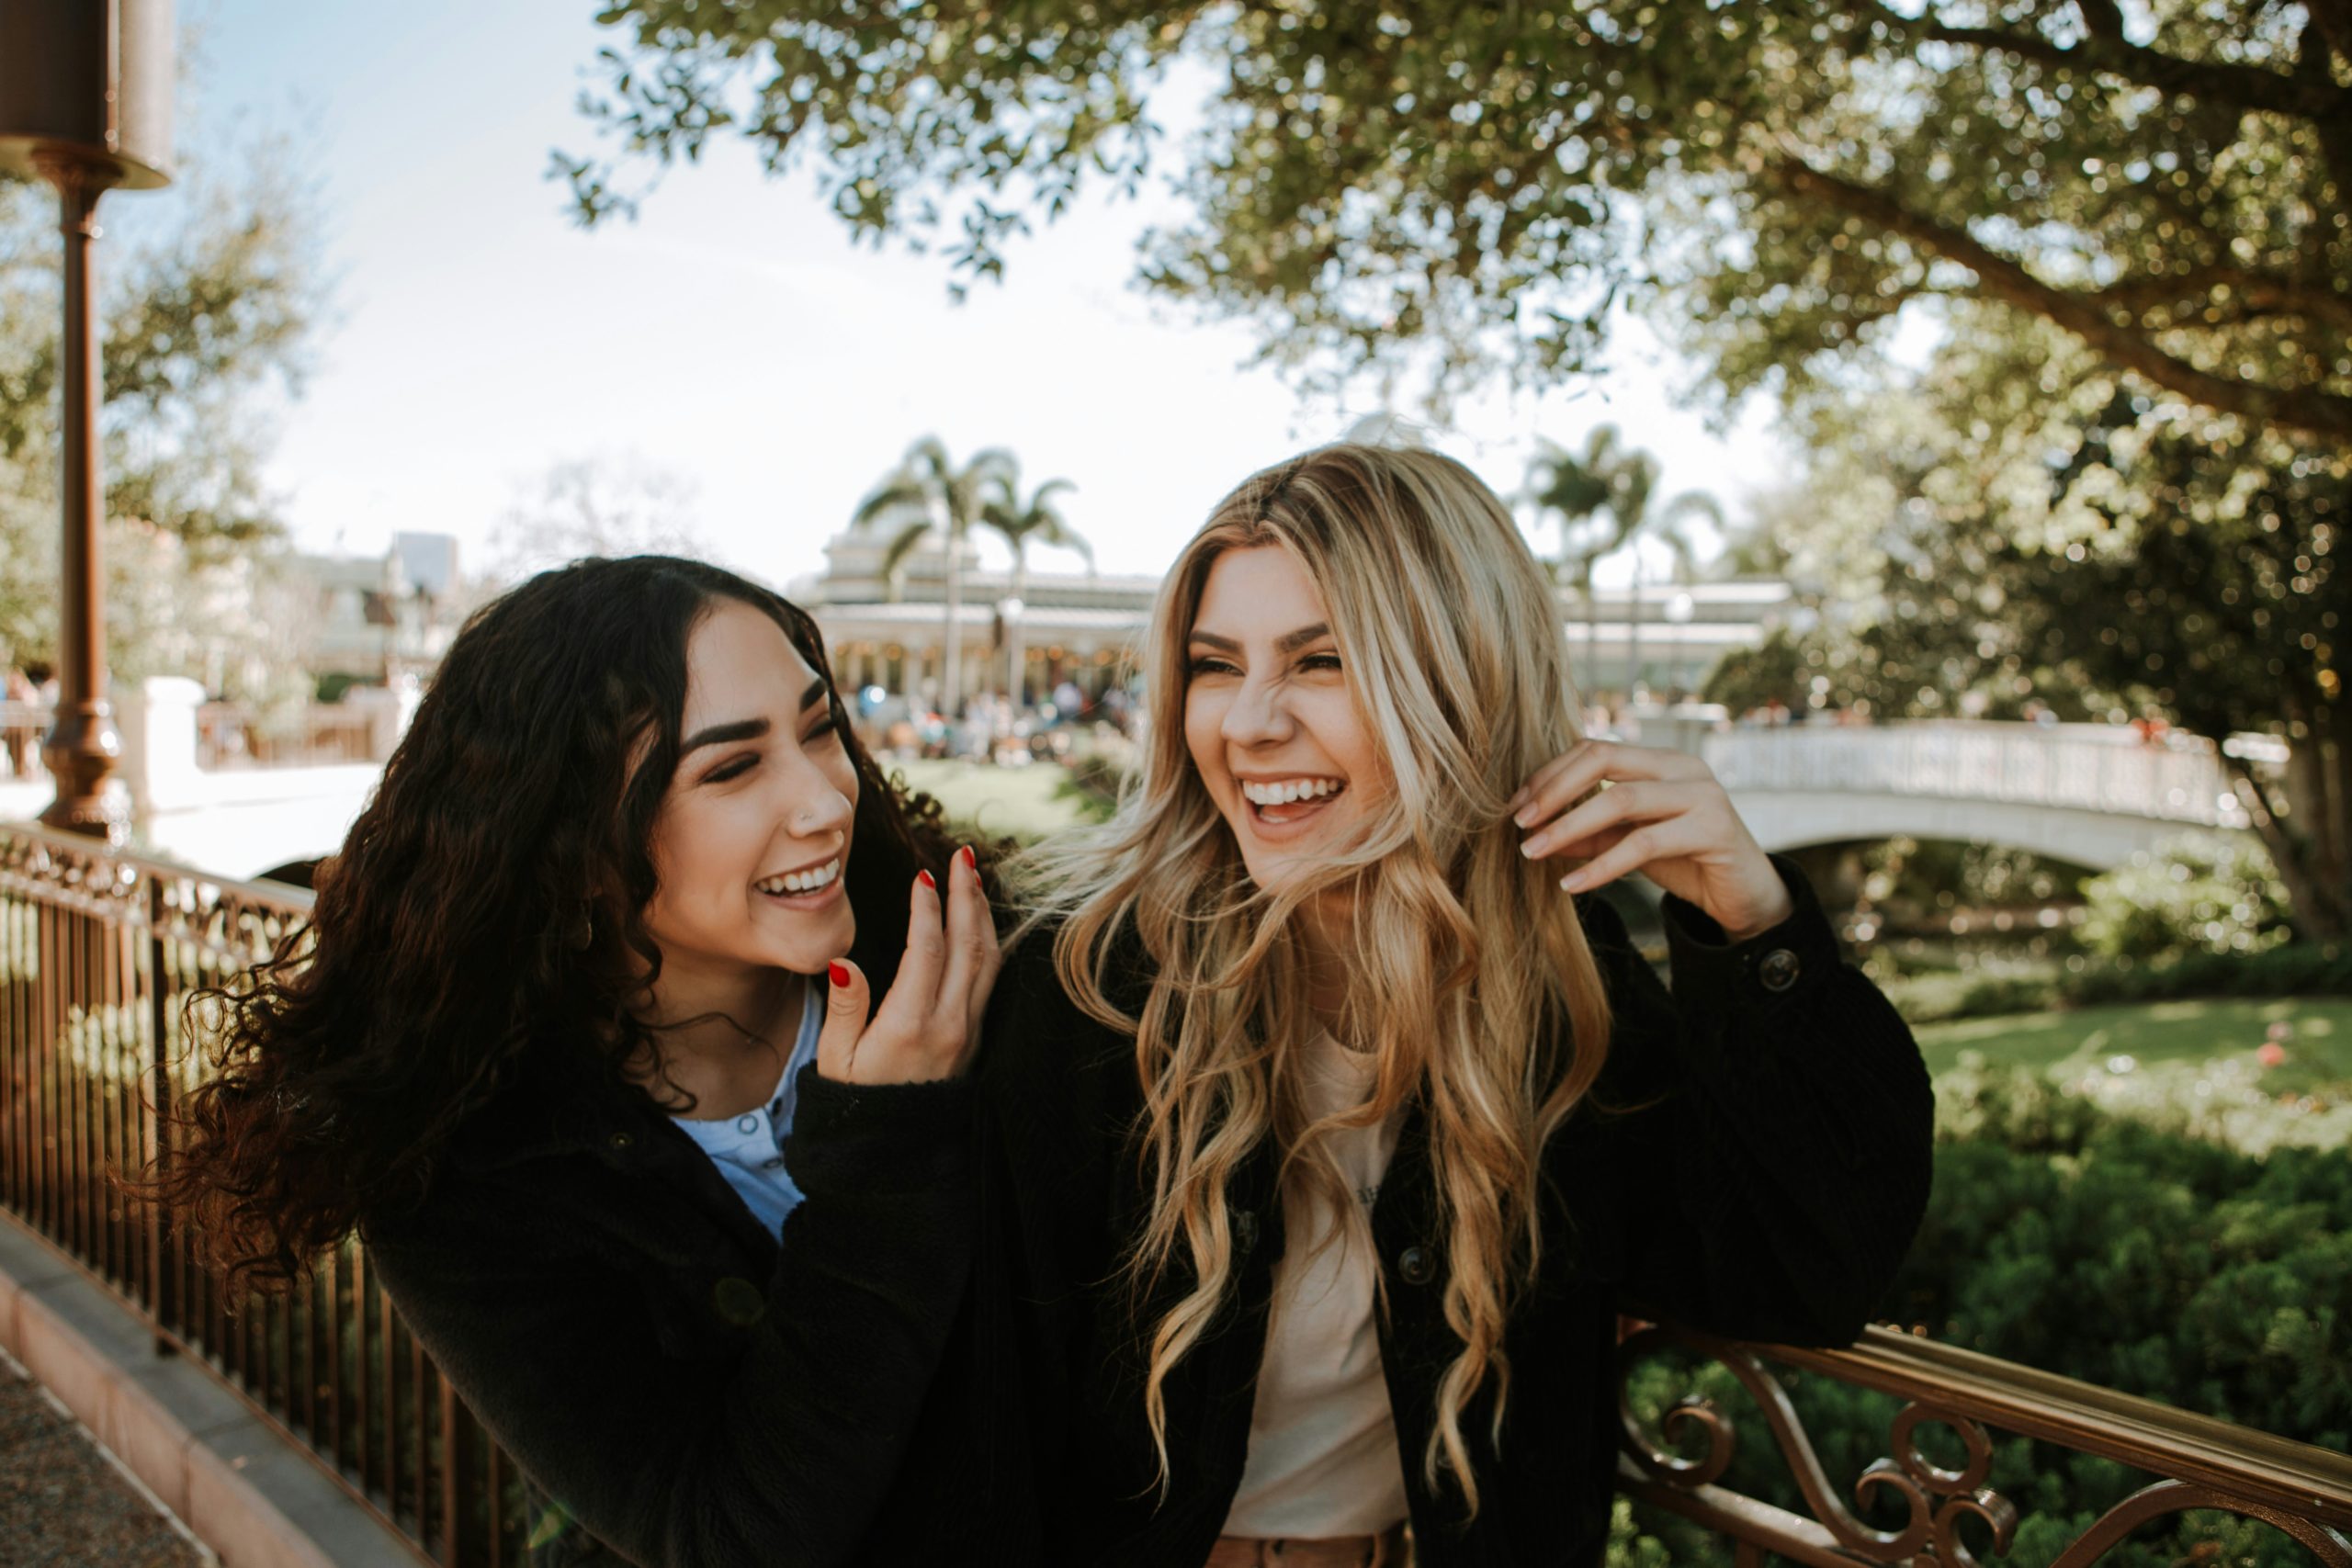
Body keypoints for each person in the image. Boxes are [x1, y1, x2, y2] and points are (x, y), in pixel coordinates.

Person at [978, 444, 1933, 1567]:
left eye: (1322, 660)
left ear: (1460, 679)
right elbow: (980, 1414)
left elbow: (1802, 1271)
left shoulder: (1557, 993)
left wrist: (1758, 932)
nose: (1248, 723)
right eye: (1214, 664)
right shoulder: (1088, 987)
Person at [153, 557, 1001, 1568]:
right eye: (731, 769)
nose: (824, 799)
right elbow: (725, 1532)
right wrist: (888, 1143)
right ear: (572, 830)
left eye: (819, 729)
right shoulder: (470, 1177)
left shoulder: (965, 972)